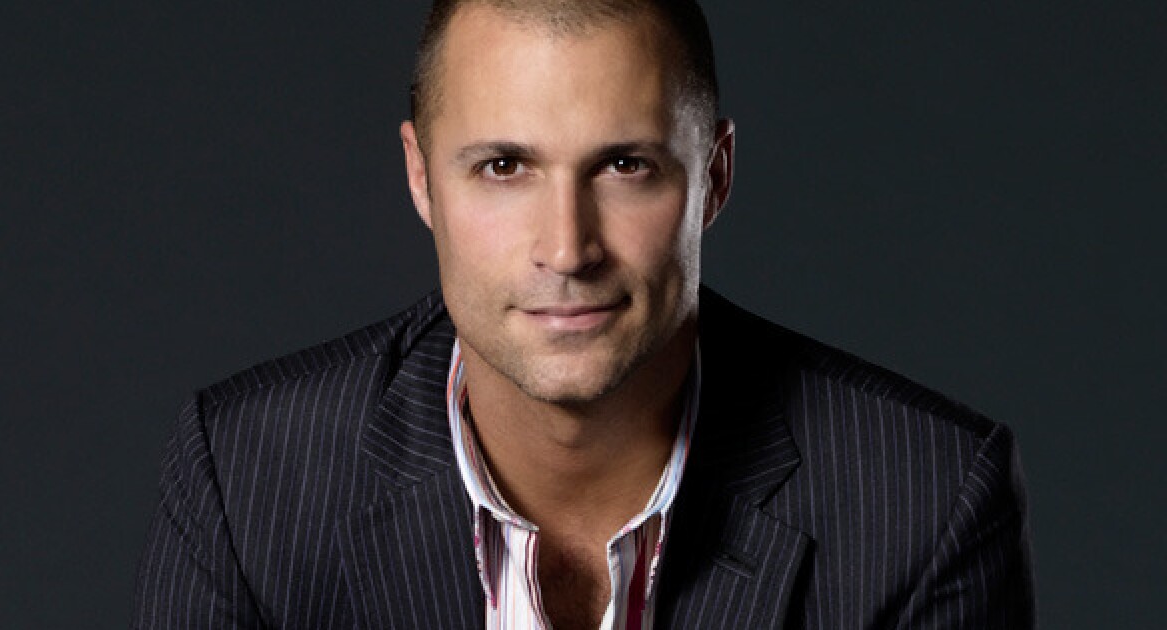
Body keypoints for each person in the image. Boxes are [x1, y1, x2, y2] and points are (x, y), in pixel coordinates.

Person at [132, 1, 1035, 628]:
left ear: (714, 177)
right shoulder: (246, 482)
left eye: (625, 166)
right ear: (420, 178)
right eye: (503, 167)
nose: (567, 249)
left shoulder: (924, 501)